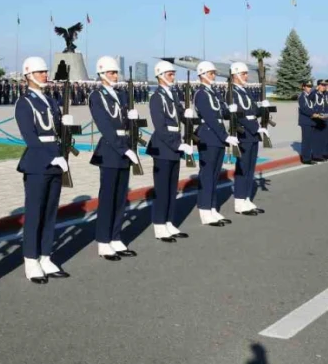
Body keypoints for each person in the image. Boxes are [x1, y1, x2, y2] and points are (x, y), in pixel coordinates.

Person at [14, 56, 73, 283]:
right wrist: (53, 157)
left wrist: (66, 126)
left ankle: (46, 256)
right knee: (35, 213)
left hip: (56, 161)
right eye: (40, 72)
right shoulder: (24, 103)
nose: (45, 75)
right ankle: (31, 260)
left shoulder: (50, 101)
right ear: (28, 75)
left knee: (50, 212)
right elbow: (31, 138)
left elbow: (56, 132)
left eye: (45, 72)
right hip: (38, 164)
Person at [89, 55, 141, 259]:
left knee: (121, 198)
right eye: (111, 72)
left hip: (124, 148)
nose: (115, 75)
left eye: (115, 72)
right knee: (108, 198)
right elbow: (106, 127)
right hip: (111, 151)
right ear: (101, 74)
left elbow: (123, 123)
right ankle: (103, 241)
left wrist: (133, 121)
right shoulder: (97, 96)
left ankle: (116, 237)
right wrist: (123, 149)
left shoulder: (120, 95)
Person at [147, 61, 194, 240]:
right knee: (162, 187)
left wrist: (188, 116)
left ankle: (168, 222)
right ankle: (159, 225)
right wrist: (177, 144)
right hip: (163, 146)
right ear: (160, 76)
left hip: (174, 144)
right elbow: (160, 126)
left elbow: (179, 115)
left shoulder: (172, 95)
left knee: (172, 187)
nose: (173, 77)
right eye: (169, 74)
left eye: (173, 74)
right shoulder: (156, 98)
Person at [193, 61, 233, 225]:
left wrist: (230, 109)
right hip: (208, 136)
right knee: (207, 174)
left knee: (215, 174)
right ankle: (204, 209)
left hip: (216, 138)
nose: (213, 75)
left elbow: (221, 113)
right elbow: (210, 118)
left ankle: (212, 207)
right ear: (202, 75)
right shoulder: (201, 94)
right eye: (210, 73)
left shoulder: (214, 92)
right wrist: (225, 136)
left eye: (213, 73)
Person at [227, 62, 269, 215]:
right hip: (243, 133)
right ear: (235, 75)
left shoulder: (245, 92)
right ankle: (239, 201)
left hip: (252, 134)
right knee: (243, 167)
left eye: (246, 73)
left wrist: (264, 108)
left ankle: (246, 198)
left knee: (250, 167)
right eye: (243, 73)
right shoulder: (231, 93)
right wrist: (255, 127)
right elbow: (239, 116)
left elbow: (253, 111)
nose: (246, 76)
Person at [297, 81, 318, 165]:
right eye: (308, 86)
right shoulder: (301, 96)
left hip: (312, 121)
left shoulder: (310, 96)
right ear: (303, 87)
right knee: (306, 140)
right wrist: (313, 113)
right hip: (306, 121)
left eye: (310, 86)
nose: (309, 88)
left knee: (311, 140)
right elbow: (304, 108)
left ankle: (309, 156)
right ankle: (305, 158)